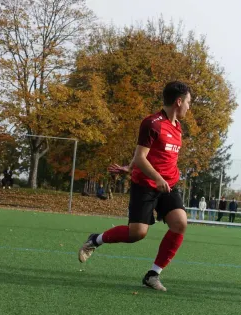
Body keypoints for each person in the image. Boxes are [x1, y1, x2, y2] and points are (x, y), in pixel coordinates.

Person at [77, 81, 192, 292]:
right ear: (178, 101)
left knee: (180, 223)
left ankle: (153, 275)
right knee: (137, 234)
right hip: (146, 185)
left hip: (168, 185)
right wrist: (151, 175)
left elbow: (147, 155)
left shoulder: (178, 127)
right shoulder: (152, 123)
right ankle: (95, 239)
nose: (188, 107)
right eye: (188, 102)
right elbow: (141, 156)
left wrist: (129, 167)